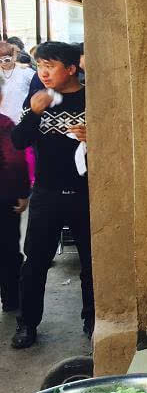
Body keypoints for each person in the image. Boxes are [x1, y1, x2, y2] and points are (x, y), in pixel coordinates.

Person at [11, 42, 92, 348]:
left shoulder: (90, 99)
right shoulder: (38, 101)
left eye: (51, 66)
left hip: (85, 193)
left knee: (91, 262)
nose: (43, 72)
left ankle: (93, 321)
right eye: (40, 66)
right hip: (46, 194)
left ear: (71, 69)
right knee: (35, 263)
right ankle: (27, 324)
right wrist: (33, 113)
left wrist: (95, 135)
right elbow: (19, 141)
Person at [0, 93, 29, 312]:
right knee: (8, 248)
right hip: (5, 197)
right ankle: (11, 300)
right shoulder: (4, 124)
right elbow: (14, 159)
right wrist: (21, 192)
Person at [0, 42, 33, 123]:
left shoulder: (26, 72)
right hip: (3, 119)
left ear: (14, 56)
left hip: (23, 117)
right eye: (0, 60)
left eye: (7, 59)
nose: (3, 63)